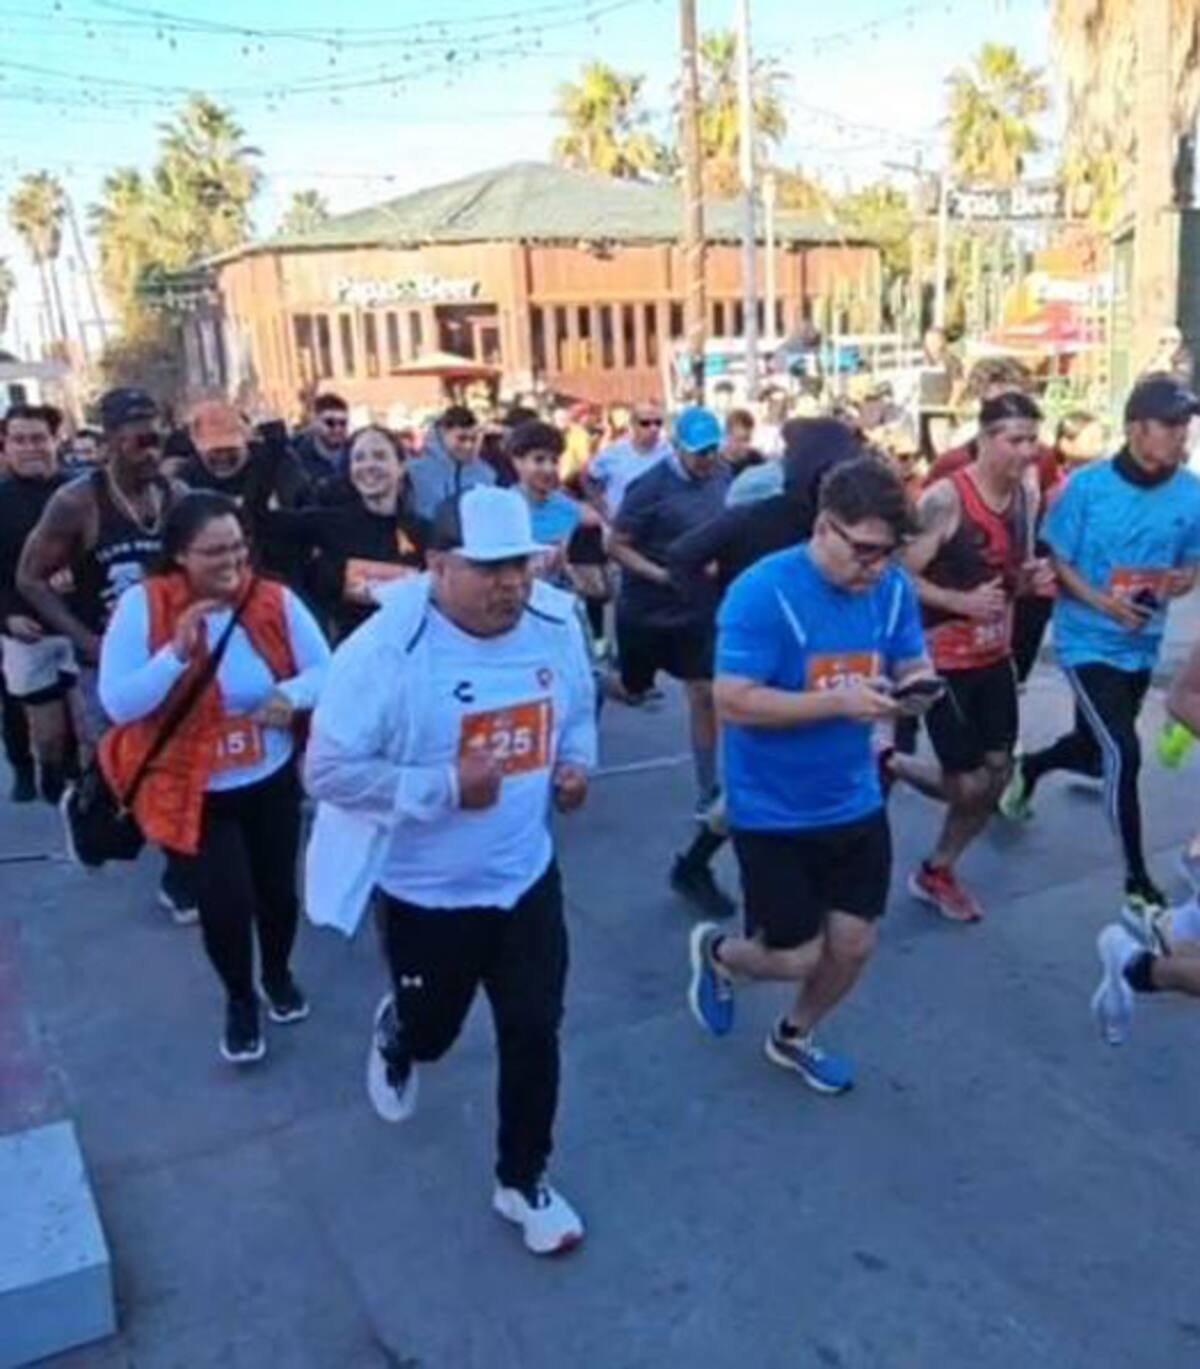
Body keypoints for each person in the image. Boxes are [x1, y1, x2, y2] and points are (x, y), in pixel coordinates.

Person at [305, 486, 596, 1256]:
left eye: (521, 566)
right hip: (427, 894)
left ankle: (522, 1178)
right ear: (435, 566)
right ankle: (400, 1030)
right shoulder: (384, 653)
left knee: (534, 1029)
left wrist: (574, 763)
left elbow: (580, 708)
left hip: (524, 876)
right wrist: (439, 787)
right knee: (435, 1036)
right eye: (489, 568)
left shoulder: (554, 625)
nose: (511, 584)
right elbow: (327, 772)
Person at [688, 458, 935, 1093]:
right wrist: (839, 702)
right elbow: (733, 701)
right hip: (771, 809)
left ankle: (794, 1035)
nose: (876, 569)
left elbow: (910, 655)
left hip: (852, 800)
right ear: (825, 527)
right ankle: (717, 955)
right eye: (865, 552)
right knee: (795, 953)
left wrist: (916, 687)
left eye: (889, 554)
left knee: (852, 945)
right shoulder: (760, 592)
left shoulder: (891, 587)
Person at [98, 492, 329, 1064]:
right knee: (227, 903)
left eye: (238, 548)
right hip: (194, 790)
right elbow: (119, 704)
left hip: (269, 778)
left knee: (277, 893)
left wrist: (292, 694)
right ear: (179, 554)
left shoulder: (272, 598)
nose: (231, 564)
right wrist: (174, 655)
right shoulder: (143, 607)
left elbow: (329, 669)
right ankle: (239, 999)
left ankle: (277, 975)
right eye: (213, 553)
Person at [999, 374, 1200, 943]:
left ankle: (1030, 768)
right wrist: (1103, 604)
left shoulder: (1191, 492)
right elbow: (1057, 562)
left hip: (1143, 642)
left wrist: (1182, 581)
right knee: (1123, 751)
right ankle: (1138, 882)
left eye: (1187, 424)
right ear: (1137, 429)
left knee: (1094, 750)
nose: (1183, 435)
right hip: (1087, 641)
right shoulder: (1085, 489)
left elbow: (1188, 570)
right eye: (1172, 424)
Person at [664, 419, 862, 918]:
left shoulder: (848, 523)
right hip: (756, 670)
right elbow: (681, 557)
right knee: (758, 779)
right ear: (809, 472)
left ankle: (712, 865)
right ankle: (707, 870)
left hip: (817, 664)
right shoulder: (757, 518)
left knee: (796, 771)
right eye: (833, 473)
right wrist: (725, 613)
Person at [18, 386, 198, 921]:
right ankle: (90, 804)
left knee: (176, 758)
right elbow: (31, 578)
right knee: (134, 759)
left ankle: (180, 873)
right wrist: (84, 639)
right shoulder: (78, 502)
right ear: (111, 442)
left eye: (157, 438)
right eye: (140, 440)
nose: (151, 450)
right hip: (106, 658)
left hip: (171, 655)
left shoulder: (177, 496)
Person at [897, 392, 1049, 923]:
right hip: (940, 657)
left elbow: (1014, 570)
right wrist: (959, 602)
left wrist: (1031, 579)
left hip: (994, 652)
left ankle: (938, 869)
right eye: (1015, 440)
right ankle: (889, 761)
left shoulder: (1028, 494)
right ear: (984, 439)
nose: (1027, 451)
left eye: (1033, 438)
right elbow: (899, 576)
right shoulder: (946, 497)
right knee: (966, 785)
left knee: (999, 773)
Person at [611, 407, 730, 813]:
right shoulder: (648, 488)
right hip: (646, 607)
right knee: (633, 690)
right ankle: (599, 684)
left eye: (713, 449)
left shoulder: (724, 476)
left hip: (696, 609)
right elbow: (616, 545)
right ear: (677, 448)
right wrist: (662, 575)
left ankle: (707, 788)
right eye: (700, 452)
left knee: (703, 692)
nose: (708, 458)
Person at [247, 425, 427, 641]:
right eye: (359, 458)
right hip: (353, 659)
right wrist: (273, 450)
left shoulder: (426, 532)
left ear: (401, 466)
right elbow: (256, 519)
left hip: (415, 656)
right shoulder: (330, 523)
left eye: (379, 456)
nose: (368, 465)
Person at [0, 403, 79, 804]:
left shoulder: (81, 491)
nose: (31, 448)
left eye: (39, 438)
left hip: (81, 627)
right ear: (6, 446)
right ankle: (35, 769)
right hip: (26, 632)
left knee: (90, 727)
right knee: (43, 734)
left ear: (55, 441)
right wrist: (7, 615)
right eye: (20, 439)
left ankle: (85, 792)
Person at [585, 401, 671, 520]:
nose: (653, 428)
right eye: (645, 423)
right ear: (633, 425)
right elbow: (589, 480)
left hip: (661, 528)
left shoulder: (671, 453)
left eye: (658, 423)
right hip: (622, 527)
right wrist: (603, 510)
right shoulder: (612, 454)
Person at [407, 405, 495, 520]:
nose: (468, 446)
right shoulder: (415, 471)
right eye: (461, 439)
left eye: (473, 439)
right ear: (442, 433)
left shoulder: (486, 474)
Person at [292, 393, 351, 492]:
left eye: (343, 423)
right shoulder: (296, 458)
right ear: (315, 422)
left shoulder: (356, 455)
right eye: (330, 423)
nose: (338, 429)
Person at [722, 409, 765, 475]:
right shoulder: (717, 466)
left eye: (747, 439)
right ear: (727, 435)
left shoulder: (757, 460)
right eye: (739, 440)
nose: (744, 445)